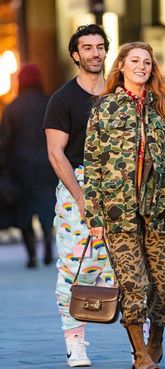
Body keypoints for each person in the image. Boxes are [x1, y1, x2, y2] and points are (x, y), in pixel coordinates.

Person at [84, 42, 165, 369]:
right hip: (119, 215)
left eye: (147, 61)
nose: (142, 66)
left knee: (164, 288)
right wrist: (94, 214)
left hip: (161, 213)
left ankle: (156, 338)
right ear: (120, 66)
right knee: (134, 285)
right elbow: (92, 166)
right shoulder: (105, 109)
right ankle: (139, 354)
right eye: (135, 60)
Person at [43, 24, 113, 368]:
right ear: (76, 55)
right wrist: (81, 197)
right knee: (77, 267)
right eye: (87, 47)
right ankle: (76, 344)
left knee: (128, 268)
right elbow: (56, 154)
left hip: (119, 189)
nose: (95, 53)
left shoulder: (118, 93)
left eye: (100, 46)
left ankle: (139, 344)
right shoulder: (63, 99)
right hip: (78, 187)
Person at [0, 63, 57, 267]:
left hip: (21, 167)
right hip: (48, 164)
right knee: (46, 207)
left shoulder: (12, 108)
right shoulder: (50, 102)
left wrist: (4, 167)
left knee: (25, 211)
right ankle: (49, 245)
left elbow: (4, 142)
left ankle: (32, 254)